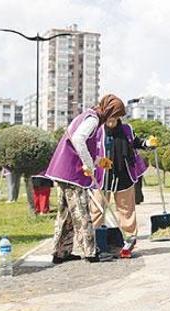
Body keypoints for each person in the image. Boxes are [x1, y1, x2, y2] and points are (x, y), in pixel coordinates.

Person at [45, 94, 127, 264]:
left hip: (62, 170)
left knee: (66, 213)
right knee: (82, 212)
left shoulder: (88, 115)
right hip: (72, 172)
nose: (115, 119)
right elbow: (78, 139)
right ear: (110, 110)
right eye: (116, 115)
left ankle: (60, 252)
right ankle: (91, 253)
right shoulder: (93, 119)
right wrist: (89, 164)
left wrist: (98, 161)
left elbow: (83, 144)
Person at [89, 118, 156, 258]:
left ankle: (129, 242)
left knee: (126, 210)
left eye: (115, 115)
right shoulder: (97, 131)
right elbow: (89, 150)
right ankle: (95, 243)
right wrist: (100, 162)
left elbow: (137, 142)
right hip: (102, 177)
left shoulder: (127, 129)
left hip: (124, 176)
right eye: (109, 115)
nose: (111, 119)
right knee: (97, 210)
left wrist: (148, 143)